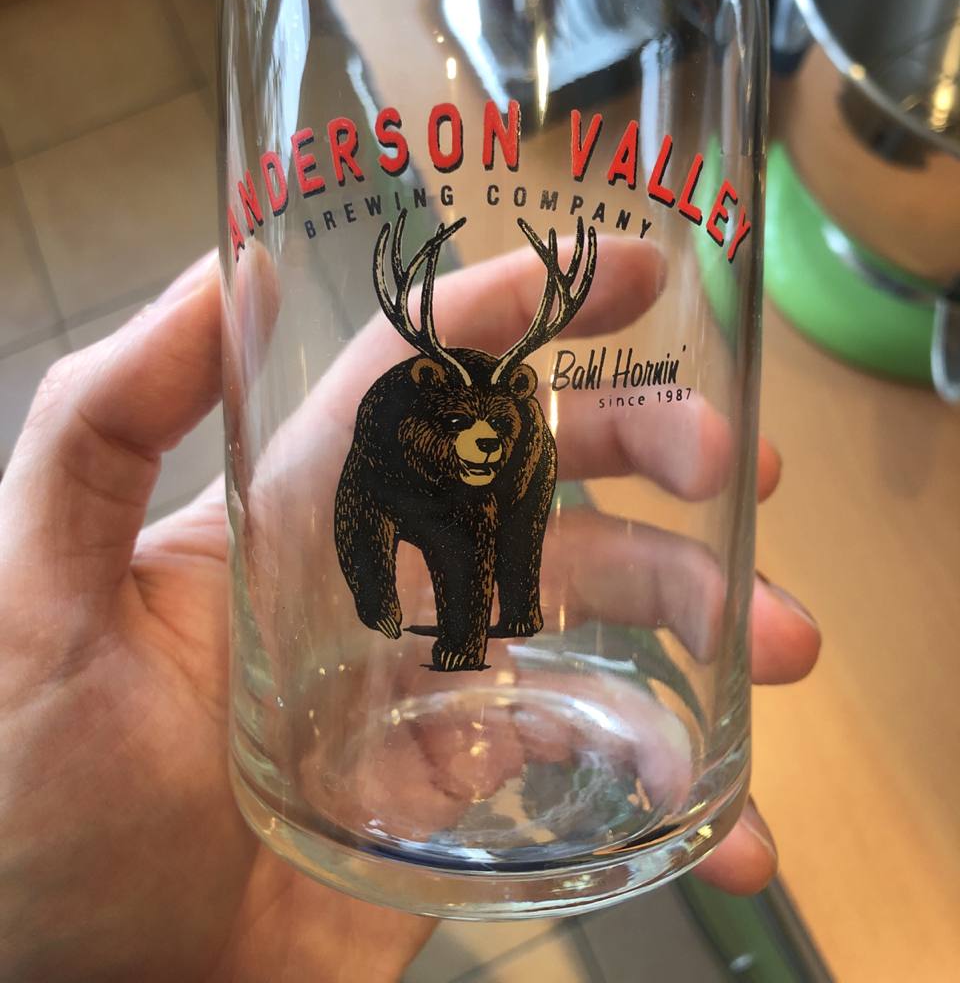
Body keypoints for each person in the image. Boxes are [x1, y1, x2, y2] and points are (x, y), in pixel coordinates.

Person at [0, 252, 820, 983]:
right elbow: (361, 523)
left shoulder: (516, 445)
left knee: (513, 552)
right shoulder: (384, 439)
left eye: (497, 426)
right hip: (292, 804)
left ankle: (503, 609)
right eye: (467, 427)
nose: (485, 441)